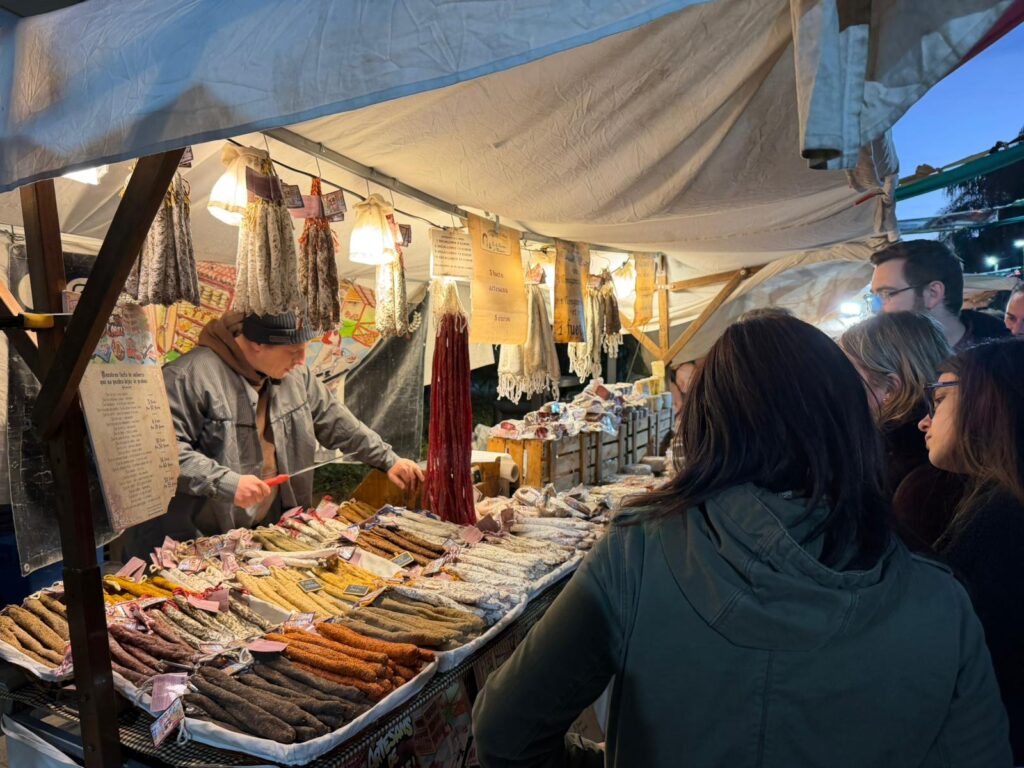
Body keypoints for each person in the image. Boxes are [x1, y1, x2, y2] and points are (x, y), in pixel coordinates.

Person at [473, 314, 1010, 767]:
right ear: (851, 420)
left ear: (707, 423)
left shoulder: (638, 548)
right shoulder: (941, 600)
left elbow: (504, 730)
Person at [121, 311, 423, 556]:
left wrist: (388, 460)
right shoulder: (187, 376)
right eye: (294, 351)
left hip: (264, 535)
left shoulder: (296, 375)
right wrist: (227, 483)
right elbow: (161, 454)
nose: (302, 360)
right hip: (194, 540)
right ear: (256, 345)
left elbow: (336, 421)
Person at [918, 338, 1024, 760]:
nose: (923, 422)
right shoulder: (995, 503)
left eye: (939, 399)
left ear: (986, 402)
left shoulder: (1003, 520)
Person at [838, 312, 965, 549]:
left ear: (891, 388)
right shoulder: (953, 447)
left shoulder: (912, 472)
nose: (838, 387)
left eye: (847, 375)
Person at [870, 239, 1008, 350]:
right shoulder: (882, 362)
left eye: (886, 294)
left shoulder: (1010, 365)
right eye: (874, 296)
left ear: (933, 293)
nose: (875, 309)